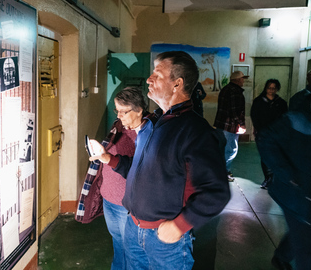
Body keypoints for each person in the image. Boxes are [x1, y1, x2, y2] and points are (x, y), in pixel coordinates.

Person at [90, 51, 230, 270]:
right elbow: (138, 171)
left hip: (165, 241)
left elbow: (216, 191)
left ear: (177, 84)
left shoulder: (195, 131)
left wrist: (180, 225)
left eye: (157, 73)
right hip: (133, 228)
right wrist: (107, 158)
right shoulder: (151, 124)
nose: (148, 79)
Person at [76, 87, 149, 270]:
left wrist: (107, 157)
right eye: (117, 111)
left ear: (139, 109)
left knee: (135, 253)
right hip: (110, 199)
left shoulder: (149, 133)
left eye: (124, 112)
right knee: (119, 247)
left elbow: (141, 171)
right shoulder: (119, 125)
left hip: (127, 205)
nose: (120, 116)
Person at [257, 79, 311, 270]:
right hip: (295, 193)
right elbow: (265, 139)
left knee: (309, 231)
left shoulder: (283, 105)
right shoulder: (297, 119)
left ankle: (281, 256)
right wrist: (286, 173)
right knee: (309, 249)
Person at [250, 79, 288, 189]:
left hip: (277, 134)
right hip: (263, 134)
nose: (271, 90)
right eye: (269, 88)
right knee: (265, 156)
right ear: (266, 88)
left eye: (273, 88)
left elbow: (285, 118)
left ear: (277, 89)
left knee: (276, 156)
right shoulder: (258, 101)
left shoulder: (281, 103)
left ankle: (274, 179)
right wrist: (258, 129)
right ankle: (267, 178)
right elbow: (254, 116)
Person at [214, 70, 248, 182]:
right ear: (238, 80)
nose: (243, 81)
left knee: (221, 150)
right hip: (229, 127)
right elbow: (235, 111)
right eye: (242, 78)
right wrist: (241, 125)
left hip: (220, 126)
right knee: (231, 150)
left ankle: (218, 171)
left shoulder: (225, 89)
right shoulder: (235, 92)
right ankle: (224, 172)